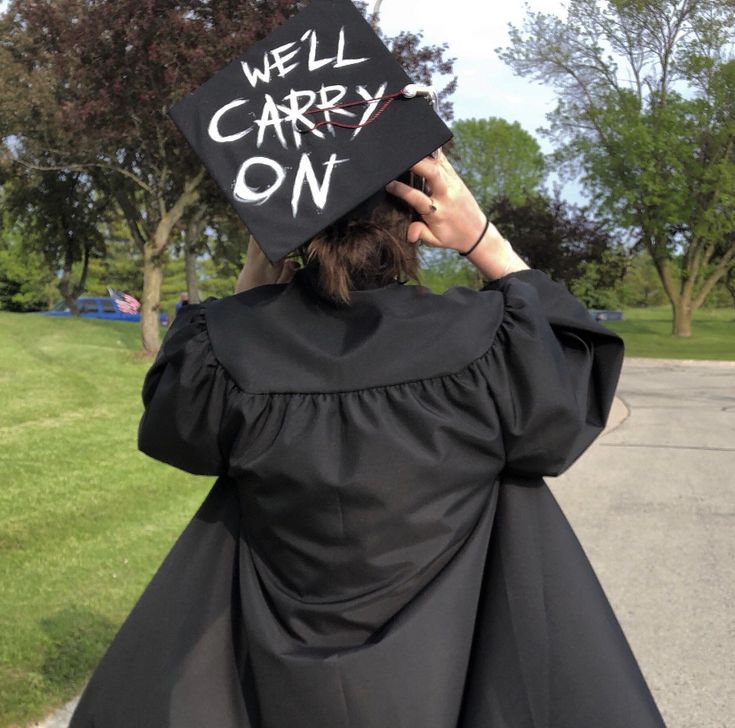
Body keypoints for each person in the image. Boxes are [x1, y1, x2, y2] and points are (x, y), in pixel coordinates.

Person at [68, 150, 666, 727]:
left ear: (285, 225)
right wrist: (485, 240)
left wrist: (251, 287)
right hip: (456, 677)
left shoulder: (226, 351)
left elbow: (179, 432)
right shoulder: (490, 343)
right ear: (417, 217)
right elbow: (574, 387)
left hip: (269, 690)